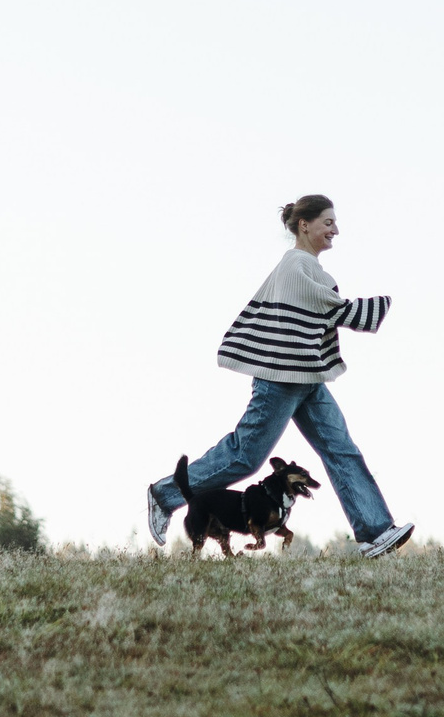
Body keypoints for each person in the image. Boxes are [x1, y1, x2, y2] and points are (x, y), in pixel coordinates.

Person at [145, 194, 415, 558]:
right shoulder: (294, 266)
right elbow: (325, 307)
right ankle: (165, 494)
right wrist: (370, 309)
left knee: (341, 450)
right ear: (305, 225)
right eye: (328, 222)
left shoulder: (310, 268)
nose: (336, 230)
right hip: (281, 378)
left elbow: (318, 312)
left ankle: (374, 531)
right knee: (244, 457)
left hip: (307, 377)